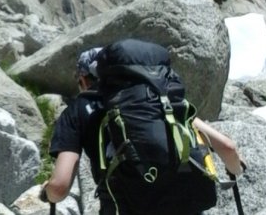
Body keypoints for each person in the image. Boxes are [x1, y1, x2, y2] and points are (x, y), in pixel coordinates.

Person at [41, 47, 245, 214]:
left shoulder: (78, 110)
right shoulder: (158, 103)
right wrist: (236, 170)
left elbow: (60, 186)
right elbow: (228, 147)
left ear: (84, 80)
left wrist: (48, 193)